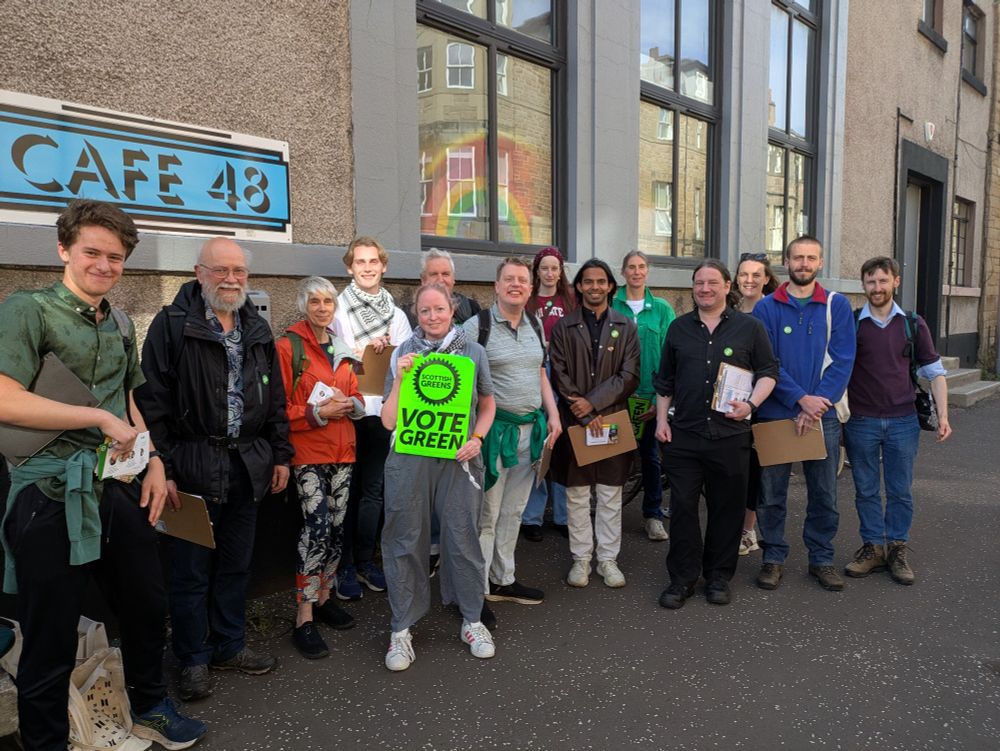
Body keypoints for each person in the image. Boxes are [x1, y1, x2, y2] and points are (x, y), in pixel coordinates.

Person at [0, 200, 205, 750]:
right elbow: (4, 400)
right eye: (92, 252)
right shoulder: (28, 310)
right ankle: (45, 742)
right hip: (47, 491)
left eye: (115, 257)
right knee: (50, 632)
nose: (104, 265)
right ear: (64, 249)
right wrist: (95, 417)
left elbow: (130, 400)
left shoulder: (116, 320)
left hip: (115, 485)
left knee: (146, 603)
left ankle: (150, 709)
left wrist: (155, 460)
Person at [137, 237, 293, 701]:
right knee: (189, 573)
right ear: (198, 272)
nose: (231, 279)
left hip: (247, 466)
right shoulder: (173, 326)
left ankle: (229, 645)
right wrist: (160, 464)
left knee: (235, 566)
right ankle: (192, 658)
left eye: (239, 271)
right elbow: (152, 403)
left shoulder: (256, 329)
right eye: (220, 270)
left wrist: (280, 454)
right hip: (191, 467)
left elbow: (276, 401)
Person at [380, 283, 497, 671]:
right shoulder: (403, 353)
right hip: (410, 458)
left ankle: (472, 620)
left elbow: (487, 403)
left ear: (453, 309)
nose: (432, 317)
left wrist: (478, 438)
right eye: (425, 311)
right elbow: (388, 420)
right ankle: (401, 628)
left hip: (458, 458)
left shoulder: (473, 352)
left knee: (462, 537)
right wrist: (398, 377)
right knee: (404, 537)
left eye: (439, 309)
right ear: (416, 313)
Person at [654, 260, 778, 609]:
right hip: (684, 435)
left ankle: (719, 576)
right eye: (698, 283)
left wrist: (751, 405)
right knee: (682, 509)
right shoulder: (679, 329)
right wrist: (662, 421)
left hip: (730, 435)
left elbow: (769, 372)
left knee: (727, 508)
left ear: (727, 286)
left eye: (712, 282)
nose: (704, 289)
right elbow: (665, 382)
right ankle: (682, 579)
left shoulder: (750, 328)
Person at [752, 236, 856, 592]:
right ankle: (773, 557)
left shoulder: (836, 305)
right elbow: (766, 363)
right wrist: (800, 400)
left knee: (824, 492)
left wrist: (817, 404)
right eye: (798, 258)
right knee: (771, 493)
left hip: (822, 416)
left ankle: (822, 558)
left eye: (811, 258)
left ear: (820, 263)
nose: (804, 264)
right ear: (786, 262)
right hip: (775, 414)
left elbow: (843, 361)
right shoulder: (766, 308)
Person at [842, 256, 952, 585]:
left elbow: (934, 371)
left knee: (900, 490)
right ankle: (873, 548)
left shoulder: (912, 323)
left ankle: (897, 549)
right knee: (865, 489)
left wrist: (943, 415)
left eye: (882, 281)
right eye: (870, 282)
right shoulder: (852, 322)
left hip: (903, 420)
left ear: (896, 282)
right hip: (861, 420)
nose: (877, 288)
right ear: (863, 285)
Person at [463, 258, 561, 613]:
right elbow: (456, 376)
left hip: (529, 434)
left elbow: (539, 373)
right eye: (509, 279)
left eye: (522, 280)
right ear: (497, 285)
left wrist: (553, 415)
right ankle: (475, 587)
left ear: (531, 288)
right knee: (487, 513)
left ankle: (502, 579)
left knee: (514, 511)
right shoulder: (477, 327)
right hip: (492, 436)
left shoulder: (536, 323)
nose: (516, 285)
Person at [276, 277, 366, 659]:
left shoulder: (343, 349)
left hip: (344, 451)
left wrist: (352, 405)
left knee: (337, 528)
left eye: (328, 301)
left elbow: (360, 397)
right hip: (309, 453)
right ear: (303, 305)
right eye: (314, 301)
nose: (322, 307)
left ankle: (325, 595)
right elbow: (276, 409)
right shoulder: (287, 347)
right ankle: (304, 614)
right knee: (315, 529)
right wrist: (317, 412)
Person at [548, 259, 641, 588]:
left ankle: (607, 559)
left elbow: (630, 375)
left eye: (601, 281)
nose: (595, 287)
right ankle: (581, 559)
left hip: (613, 419)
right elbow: (558, 374)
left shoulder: (627, 326)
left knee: (610, 492)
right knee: (576, 494)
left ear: (611, 287)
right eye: (588, 282)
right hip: (577, 422)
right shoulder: (563, 328)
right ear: (578, 287)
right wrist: (585, 413)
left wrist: (596, 403)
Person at [333, 237, 412, 600]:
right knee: (345, 493)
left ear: (383, 266)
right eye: (360, 262)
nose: (367, 267)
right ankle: (343, 565)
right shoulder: (335, 308)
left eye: (373, 261)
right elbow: (330, 353)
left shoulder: (396, 315)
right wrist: (360, 351)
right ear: (350, 267)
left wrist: (391, 353)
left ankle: (365, 560)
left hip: (383, 412)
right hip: (347, 411)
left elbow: (408, 360)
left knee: (374, 492)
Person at [611, 250, 676, 542]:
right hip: (615, 398)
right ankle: (609, 518)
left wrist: (660, 398)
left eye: (641, 267)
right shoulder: (612, 305)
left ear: (647, 271)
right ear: (623, 272)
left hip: (649, 398)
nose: (636, 272)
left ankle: (652, 515)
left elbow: (670, 356)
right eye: (631, 267)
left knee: (650, 456)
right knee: (612, 455)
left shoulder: (662, 309)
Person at [520, 246, 575, 541]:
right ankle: (532, 517)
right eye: (545, 268)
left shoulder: (570, 299)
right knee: (539, 440)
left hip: (564, 371)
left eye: (555, 268)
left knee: (562, 442)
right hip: (535, 370)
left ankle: (564, 516)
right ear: (537, 271)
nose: (550, 274)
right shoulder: (528, 300)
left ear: (560, 271)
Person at [735, 252, 779, 556]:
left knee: (757, 468)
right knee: (735, 467)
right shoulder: (731, 309)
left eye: (755, 275)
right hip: (732, 401)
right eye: (743, 275)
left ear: (766, 278)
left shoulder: (773, 310)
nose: (748, 281)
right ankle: (735, 527)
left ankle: (749, 531)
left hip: (765, 403)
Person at [406, 247, 482, 326]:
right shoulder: (409, 315)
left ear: (453, 279)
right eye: (434, 274)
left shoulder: (472, 309)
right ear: (423, 280)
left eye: (445, 274)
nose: (440, 280)